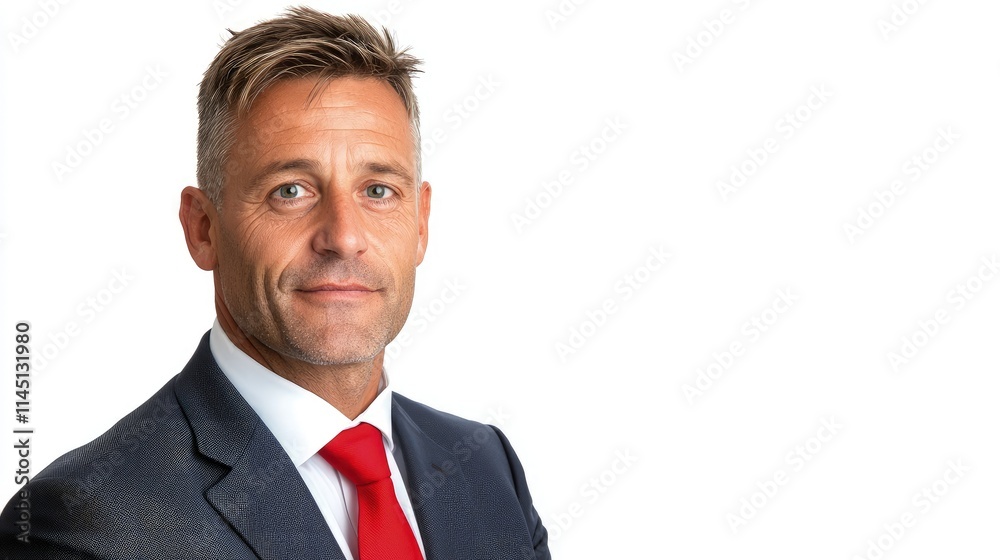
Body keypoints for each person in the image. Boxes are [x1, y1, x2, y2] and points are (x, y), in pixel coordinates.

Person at [0, 7, 550, 559]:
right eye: (290, 191)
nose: (344, 237)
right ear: (203, 229)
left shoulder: (487, 467)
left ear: (422, 223)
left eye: (378, 191)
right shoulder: (83, 525)